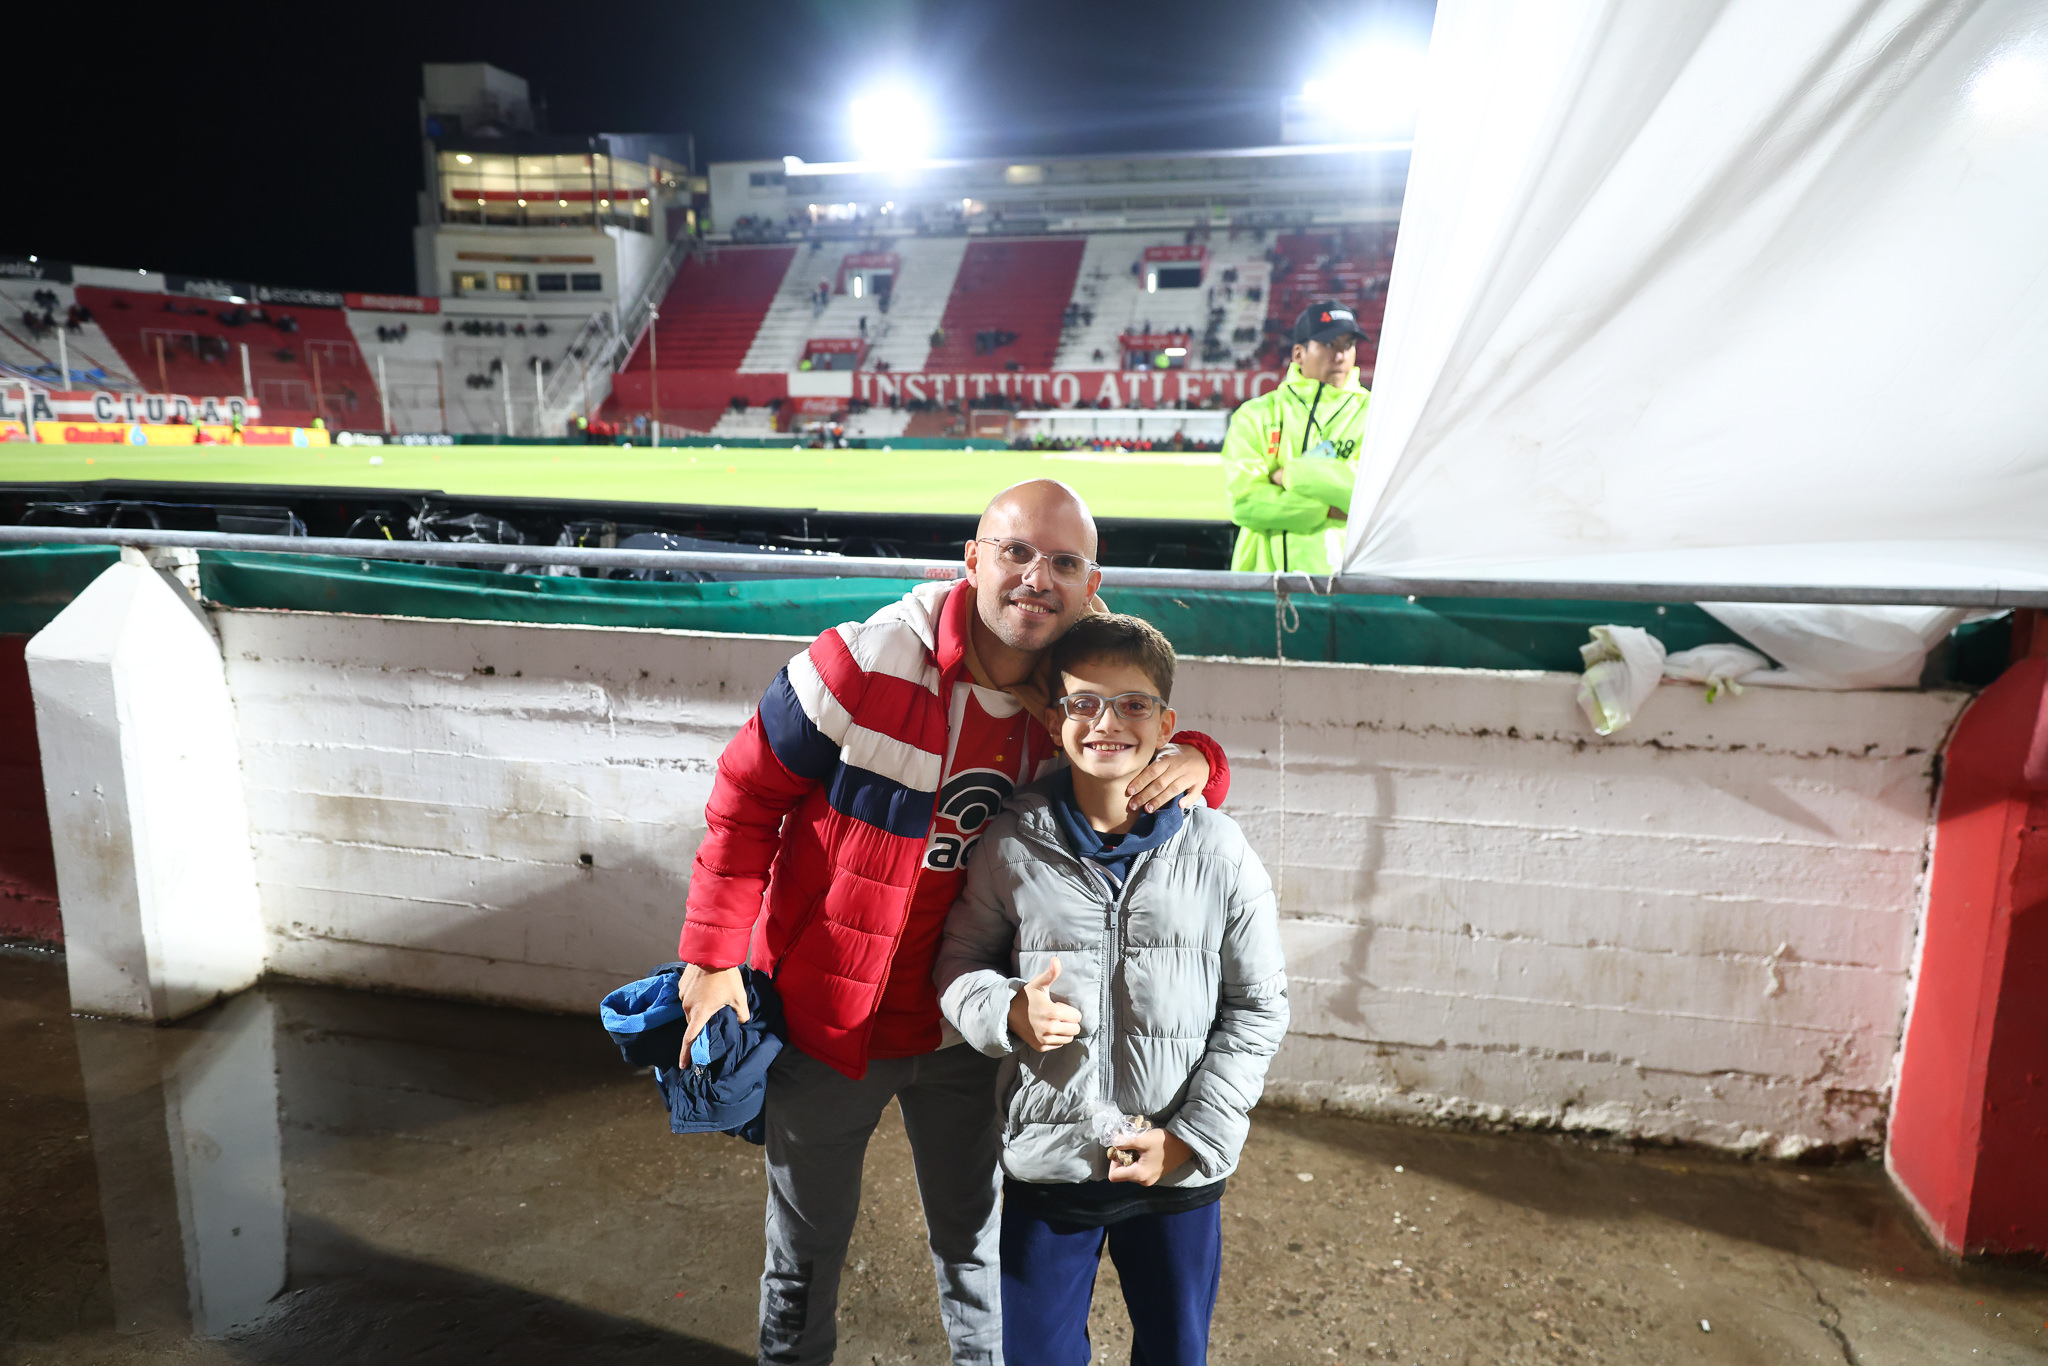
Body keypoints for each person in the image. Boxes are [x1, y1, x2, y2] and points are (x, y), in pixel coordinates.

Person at [674, 481, 1231, 1366]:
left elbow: (1146, 764)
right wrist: (711, 959)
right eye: (1015, 552)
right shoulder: (858, 662)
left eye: (1063, 562)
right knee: (805, 1256)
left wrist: (1200, 760)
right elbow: (745, 796)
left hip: (975, 1031)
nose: (1036, 578)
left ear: (1092, 585)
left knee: (978, 1255)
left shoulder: (1077, 696)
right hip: (830, 1022)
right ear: (971, 560)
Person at [935, 613, 1288, 1366]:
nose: (1106, 722)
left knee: (1175, 1351)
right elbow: (957, 964)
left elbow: (1258, 1008)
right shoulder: (1011, 842)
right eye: (1085, 703)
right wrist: (1005, 1009)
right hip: (1050, 1160)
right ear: (1055, 719)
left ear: (1166, 725)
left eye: (1132, 704)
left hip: (1177, 1167)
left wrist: (1190, 1139)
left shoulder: (1220, 851)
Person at [1221, 299, 1370, 574]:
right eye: (1329, 344)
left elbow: (1369, 496)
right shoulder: (1254, 414)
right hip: (1262, 581)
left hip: (1344, 579)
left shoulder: (1375, 414)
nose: (1341, 356)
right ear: (1299, 354)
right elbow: (1245, 504)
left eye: (1348, 345)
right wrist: (1328, 510)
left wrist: (1289, 475)